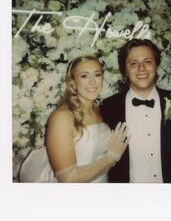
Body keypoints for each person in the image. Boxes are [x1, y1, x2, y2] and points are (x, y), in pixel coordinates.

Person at [19, 55, 130, 183]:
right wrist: (111, 157)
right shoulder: (62, 117)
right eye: (84, 76)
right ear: (72, 81)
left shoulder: (102, 110)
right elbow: (67, 179)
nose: (92, 82)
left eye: (97, 75)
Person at [100, 39, 171, 183]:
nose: (141, 68)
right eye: (133, 63)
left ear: (156, 65)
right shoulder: (108, 107)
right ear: (125, 69)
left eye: (147, 61)